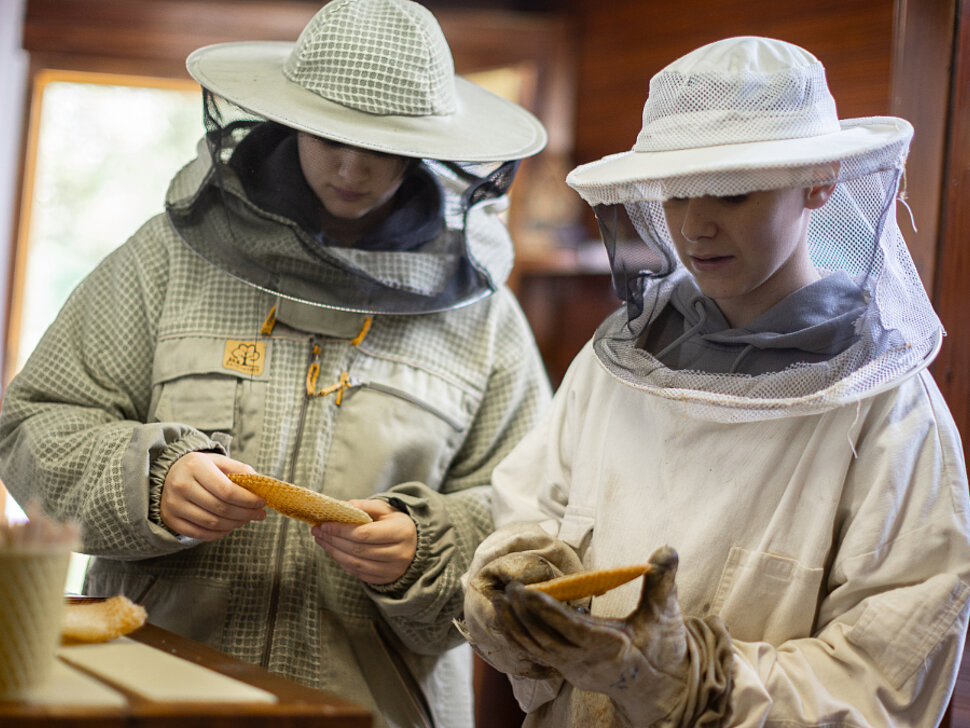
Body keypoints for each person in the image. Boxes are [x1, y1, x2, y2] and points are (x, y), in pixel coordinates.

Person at [0, 1, 552, 726]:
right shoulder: (163, 259)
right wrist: (151, 479)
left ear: (428, 144)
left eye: (382, 144)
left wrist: (430, 547)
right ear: (290, 115)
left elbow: (538, 521)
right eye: (331, 136)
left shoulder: (483, 319)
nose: (353, 167)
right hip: (146, 694)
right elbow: (32, 429)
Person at [460, 36, 970, 726]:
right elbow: (528, 515)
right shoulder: (616, 363)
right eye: (676, 194)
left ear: (819, 180)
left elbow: (884, 674)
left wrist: (691, 681)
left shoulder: (889, 412)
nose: (695, 227)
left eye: (731, 193)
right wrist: (517, 594)